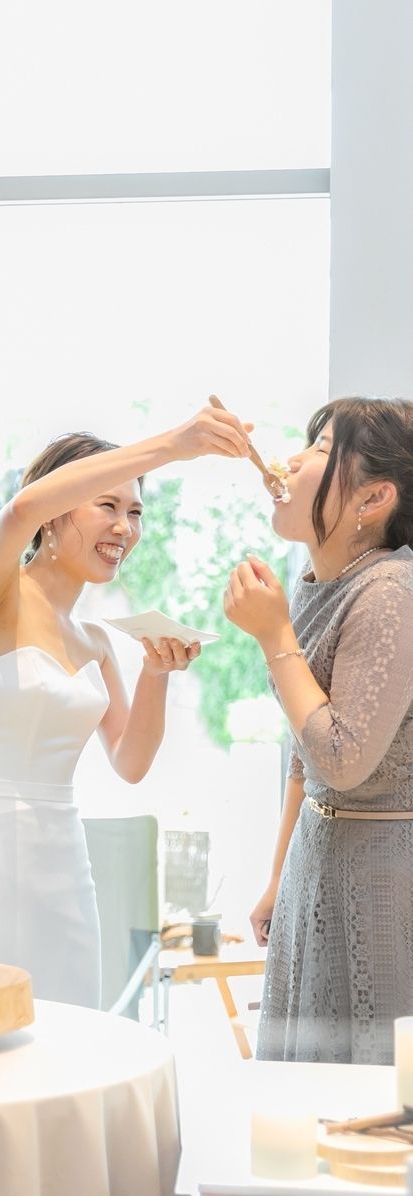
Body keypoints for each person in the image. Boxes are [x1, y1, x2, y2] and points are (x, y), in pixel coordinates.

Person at [0, 404, 252, 1007]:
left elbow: (131, 761)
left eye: (135, 512)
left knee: (70, 1028)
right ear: (56, 511)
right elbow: (19, 510)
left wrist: (156, 673)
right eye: (107, 505)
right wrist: (173, 445)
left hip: (64, 866)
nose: (125, 528)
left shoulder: (95, 641)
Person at [224, 396, 413, 1064]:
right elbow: (304, 756)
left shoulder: (390, 590)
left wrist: (274, 633)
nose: (292, 460)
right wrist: (279, 876)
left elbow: (342, 759)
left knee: (368, 1093)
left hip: (382, 879)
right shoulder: (315, 583)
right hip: (316, 860)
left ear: (374, 498)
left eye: (322, 448)